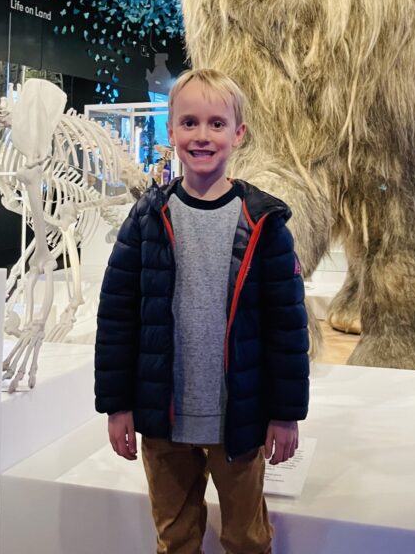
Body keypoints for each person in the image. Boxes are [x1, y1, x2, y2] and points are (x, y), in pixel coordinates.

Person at [95, 69, 309, 554]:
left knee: (247, 539)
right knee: (175, 539)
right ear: (170, 131)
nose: (202, 135)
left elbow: (287, 329)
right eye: (189, 122)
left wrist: (285, 415)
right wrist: (117, 405)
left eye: (217, 123)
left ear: (238, 134)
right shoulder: (148, 218)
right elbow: (117, 319)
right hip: (163, 421)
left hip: (239, 421)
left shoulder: (265, 223)